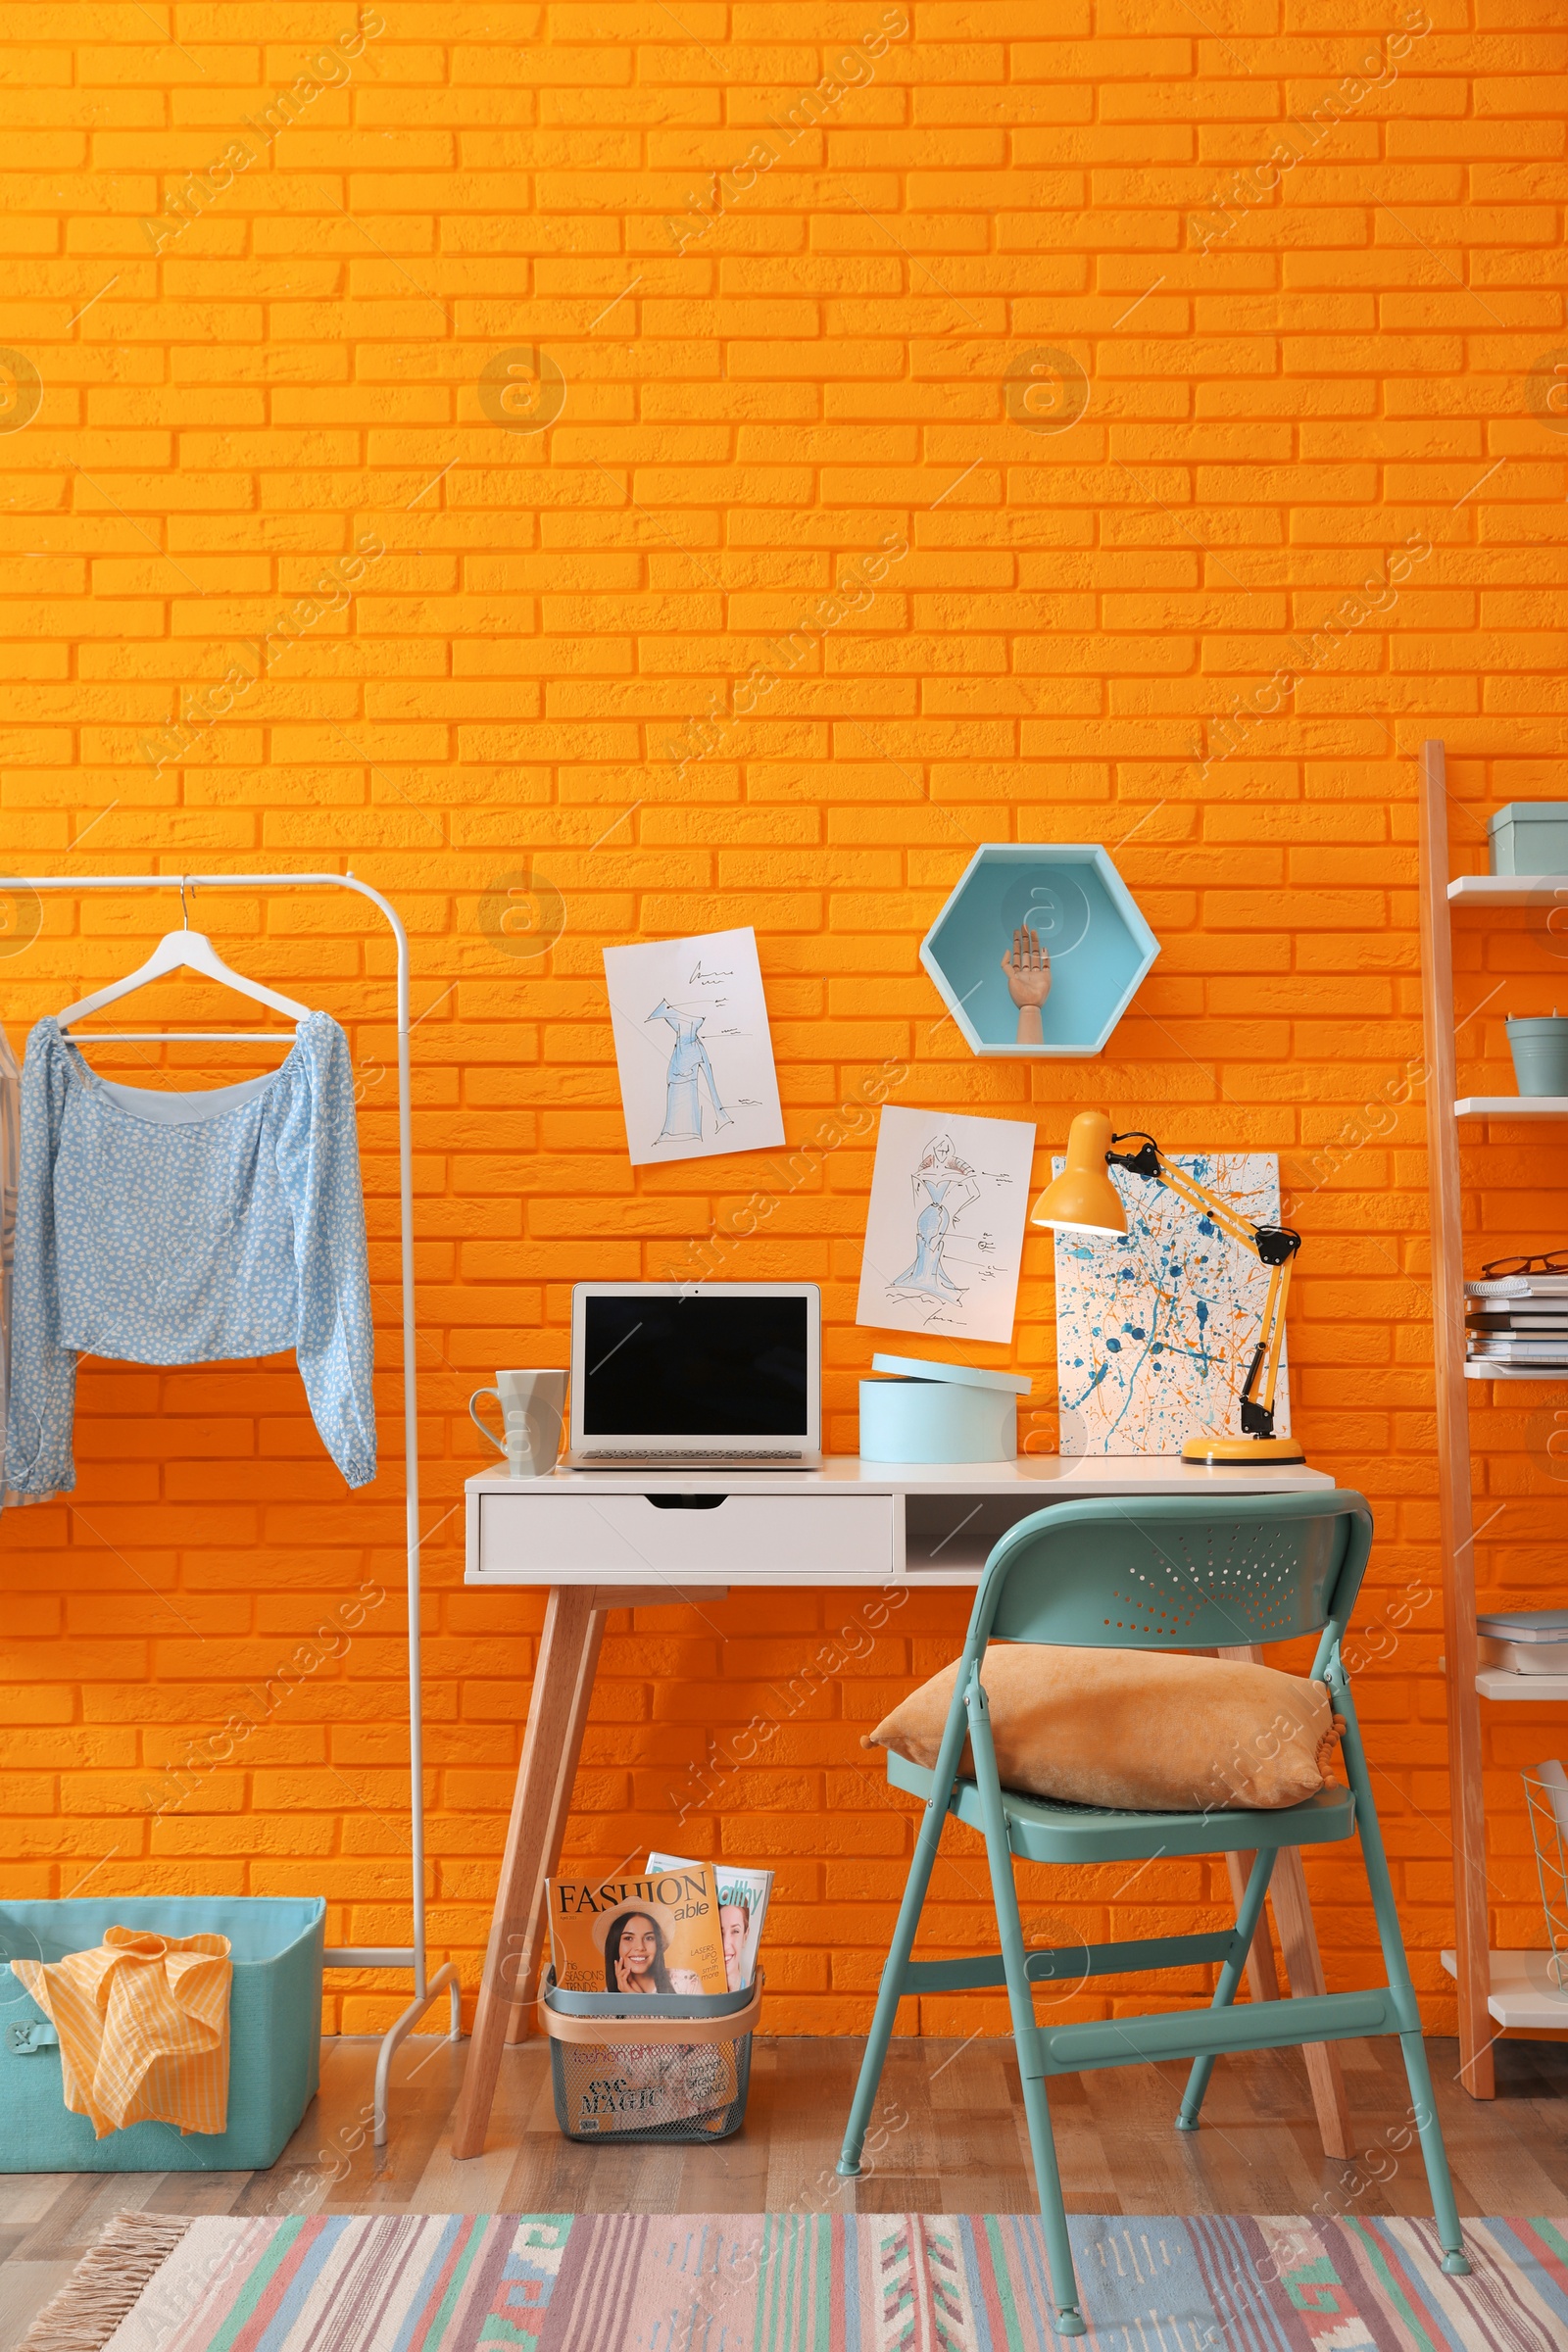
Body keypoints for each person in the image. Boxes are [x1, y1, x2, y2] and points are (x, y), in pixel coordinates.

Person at [602, 1906, 704, 1997]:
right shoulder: (602, 2001)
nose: (640, 1947)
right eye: (628, 1938)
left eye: (649, 1938)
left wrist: (638, 2001)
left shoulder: (687, 1981)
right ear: (615, 1945)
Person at [718, 1899, 751, 1992]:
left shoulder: (750, 1991)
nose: (725, 1944)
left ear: (745, 1936)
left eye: (735, 1931)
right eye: (720, 1932)